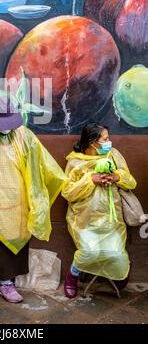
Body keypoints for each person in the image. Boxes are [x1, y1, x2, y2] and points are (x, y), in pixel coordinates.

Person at [0, 96, 66, 303]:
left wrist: (57, 180)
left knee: (14, 237)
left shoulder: (24, 135)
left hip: (17, 197)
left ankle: (7, 282)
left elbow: (41, 163)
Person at [62, 123, 137, 299]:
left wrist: (116, 177)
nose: (109, 142)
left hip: (112, 218)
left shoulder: (114, 155)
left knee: (116, 253)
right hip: (85, 220)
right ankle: (72, 276)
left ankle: (119, 274)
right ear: (92, 142)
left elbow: (131, 182)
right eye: (105, 139)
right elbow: (68, 192)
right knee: (90, 252)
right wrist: (91, 179)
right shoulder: (75, 162)